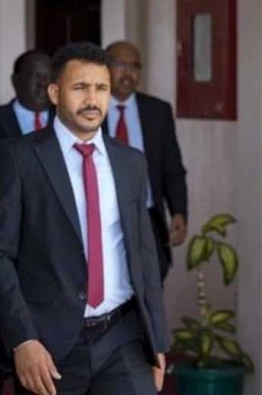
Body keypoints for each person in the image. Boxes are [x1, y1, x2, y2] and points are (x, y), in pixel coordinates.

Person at [0, 42, 169, 395]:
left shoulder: (131, 162)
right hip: (49, 345)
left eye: (101, 88)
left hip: (122, 337)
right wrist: (23, 339)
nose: (92, 99)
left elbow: (144, 255)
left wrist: (157, 340)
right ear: (54, 92)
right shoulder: (19, 158)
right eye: (80, 87)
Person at [104, 40, 188, 282]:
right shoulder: (89, 109)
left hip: (147, 218)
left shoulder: (157, 111)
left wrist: (179, 212)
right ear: (104, 68)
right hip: (103, 218)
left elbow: (172, 168)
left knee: (150, 288)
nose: (128, 73)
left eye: (134, 66)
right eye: (120, 65)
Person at [0, 50, 55, 141]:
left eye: (49, 77)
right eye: (36, 76)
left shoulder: (67, 120)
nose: (44, 83)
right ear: (15, 80)